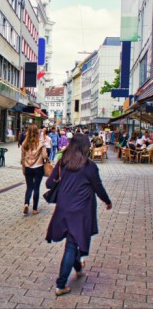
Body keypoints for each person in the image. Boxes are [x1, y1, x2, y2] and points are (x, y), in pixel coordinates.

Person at [46, 134, 112, 296]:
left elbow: (48, 183)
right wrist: (107, 201)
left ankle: (78, 267)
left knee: (72, 241)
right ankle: (61, 285)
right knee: (71, 245)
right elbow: (98, 187)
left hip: (63, 209)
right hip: (80, 211)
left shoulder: (63, 162)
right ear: (85, 147)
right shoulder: (89, 166)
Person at [21, 124, 48, 215]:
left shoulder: (25, 143)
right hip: (38, 167)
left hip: (28, 167)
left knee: (29, 187)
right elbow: (44, 156)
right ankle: (35, 209)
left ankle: (26, 203)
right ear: (37, 132)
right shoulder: (41, 143)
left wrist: (23, 166)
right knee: (36, 188)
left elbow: (22, 156)